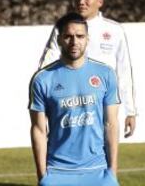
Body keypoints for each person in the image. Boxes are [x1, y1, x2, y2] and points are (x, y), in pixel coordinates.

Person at [29, 13, 120, 186]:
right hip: (57, 172)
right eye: (68, 36)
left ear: (87, 39)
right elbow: (38, 130)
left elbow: (111, 124)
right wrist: (43, 176)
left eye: (80, 36)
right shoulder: (42, 79)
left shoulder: (106, 74)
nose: (74, 41)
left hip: (98, 171)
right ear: (59, 39)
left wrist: (112, 171)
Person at [39, 0, 137, 138]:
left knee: (104, 154)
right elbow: (46, 66)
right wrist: (43, 108)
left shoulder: (114, 30)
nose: (81, 2)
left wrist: (131, 111)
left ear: (100, 1)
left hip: (103, 104)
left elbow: (124, 71)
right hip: (69, 102)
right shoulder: (63, 27)